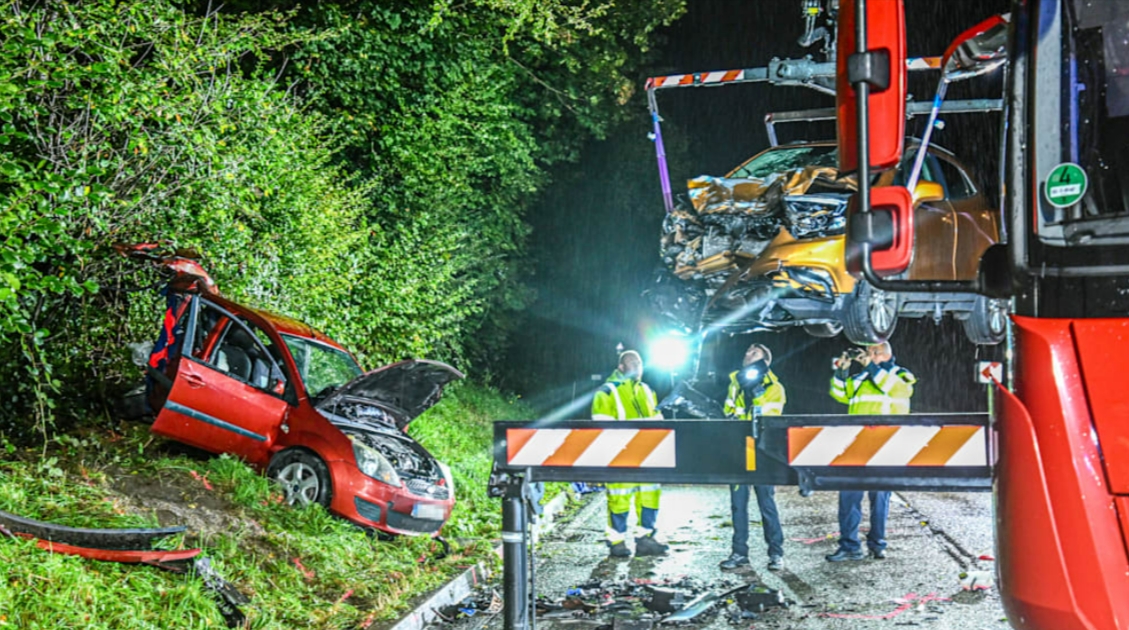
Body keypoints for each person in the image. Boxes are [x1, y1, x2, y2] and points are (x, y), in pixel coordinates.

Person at [826, 341, 916, 562]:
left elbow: (893, 389)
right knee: (848, 496)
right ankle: (849, 546)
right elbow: (839, 394)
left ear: (881, 354)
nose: (866, 355)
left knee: (879, 499)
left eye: (870, 352)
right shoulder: (861, 377)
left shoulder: (901, 375)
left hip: (885, 446)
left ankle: (877, 544)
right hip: (856, 445)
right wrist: (843, 369)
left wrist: (871, 367)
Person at [591, 350, 669, 558]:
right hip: (620, 456)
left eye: (639, 363)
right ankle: (616, 542)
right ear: (621, 368)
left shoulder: (647, 390)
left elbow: (657, 419)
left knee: (650, 497)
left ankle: (646, 539)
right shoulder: (607, 391)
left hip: (648, 456)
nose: (637, 366)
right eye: (631, 363)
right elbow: (601, 426)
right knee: (619, 500)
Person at [719, 343, 787, 572]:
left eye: (754, 353)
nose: (747, 355)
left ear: (765, 362)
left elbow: (768, 419)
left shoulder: (775, 387)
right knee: (738, 506)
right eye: (747, 351)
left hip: (763, 453)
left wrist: (755, 396)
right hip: (738, 451)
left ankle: (776, 553)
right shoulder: (735, 383)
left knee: (766, 503)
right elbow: (729, 411)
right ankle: (739, 553)